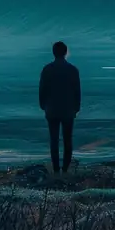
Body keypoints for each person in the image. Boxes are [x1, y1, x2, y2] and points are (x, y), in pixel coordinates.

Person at [39, 41, 81, 174]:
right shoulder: (73, 70)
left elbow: (42, 90)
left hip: (52, 109)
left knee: (54, 140)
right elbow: (77, 91)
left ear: (53, 52)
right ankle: (65, 169)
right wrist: (77, 107)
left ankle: (56, 170)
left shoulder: (47, 69)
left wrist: (43, 105)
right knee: (67, 139)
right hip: (68, 109)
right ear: (65, 52)